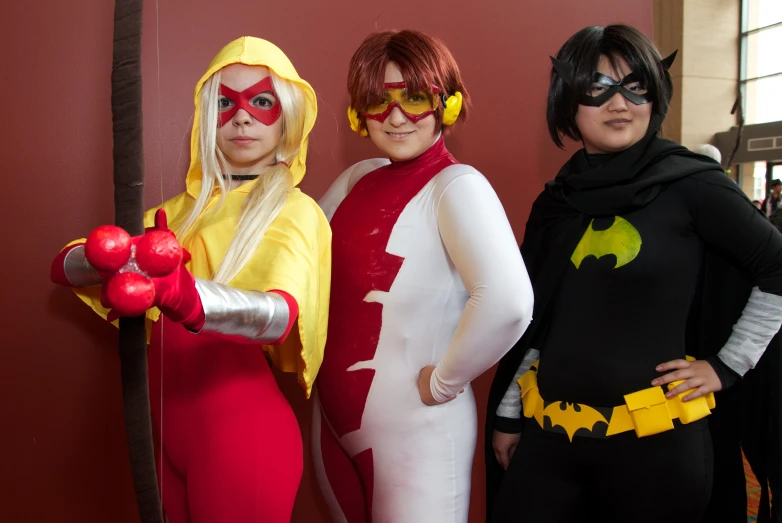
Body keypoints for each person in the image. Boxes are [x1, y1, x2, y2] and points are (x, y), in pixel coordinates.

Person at [485, 24, 782, 522]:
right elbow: (540, 318)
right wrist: (509, 411)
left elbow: (776, 265)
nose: (619, 103)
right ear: (568, 104)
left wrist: (727, 366)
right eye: (597, 88)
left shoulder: (692, 185)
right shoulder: (557, 202)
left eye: (635, 86)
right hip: (552, 439)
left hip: (658, 450)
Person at [50, 36, 331, 522]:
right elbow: (64, 269)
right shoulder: (182, 211)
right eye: (225, 103)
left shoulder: (295, 212)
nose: (241, 117)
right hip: (169, 438)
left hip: (243, 440)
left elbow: (282, 315)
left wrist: (183, 294)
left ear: (287, 115)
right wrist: (98, 256)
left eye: (261, 101)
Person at [312, 29, 534, 522]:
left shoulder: (457, 186)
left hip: (418, 434)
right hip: (331, 423)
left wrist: (445, 382)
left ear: (445, 105)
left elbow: (509, 301)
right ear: (357, 112)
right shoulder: (355, 178)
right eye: (377, 100)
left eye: (414, 98)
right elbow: (298, 262)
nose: (395, 117)